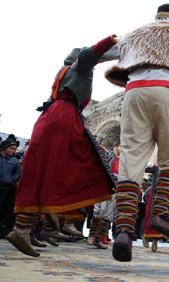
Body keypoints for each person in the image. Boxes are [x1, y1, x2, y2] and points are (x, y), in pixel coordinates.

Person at [103, 3, 169, 262]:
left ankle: (124, 232)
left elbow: (97, 53)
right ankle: (160, 214)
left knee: (130, 161)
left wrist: (86, 56)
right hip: (168, 91)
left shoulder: (135, 35)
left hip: (134, 93)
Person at [6, 35, 118, 257]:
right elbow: (88, 55)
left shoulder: (63, 74)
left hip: (51, 118)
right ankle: (56, 214)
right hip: (64, 117)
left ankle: (24, 228)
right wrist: (110, 42)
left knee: (40, 170)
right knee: (85, 163)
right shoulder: (79, 67)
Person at [0, 138, 21, 238]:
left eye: (14, 149)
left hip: (6, 188)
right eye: (11, 148)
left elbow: (18, 173)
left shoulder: (15, 161)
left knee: (4, 208)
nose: (13, 151)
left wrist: (11, 180)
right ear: (4, 148)